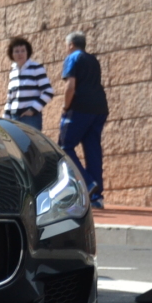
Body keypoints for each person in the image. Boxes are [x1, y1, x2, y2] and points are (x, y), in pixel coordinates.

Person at [59, 31, 109, 209]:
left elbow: (70, 86)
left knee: (64, 147)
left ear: (71, 45)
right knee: (92, 148)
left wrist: (65, 107)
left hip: (80, 108)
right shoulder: (93, 60)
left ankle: (87, 184)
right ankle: (96, 197)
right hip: (99, 108)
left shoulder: (73, 58)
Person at [1, 36, 54, 131]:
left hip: (30, 118)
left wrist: (32, 110)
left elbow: (48, 92)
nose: (20, 54)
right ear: (11, 54)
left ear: (27, 52)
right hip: (14, 118)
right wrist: (5, 119)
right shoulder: (13, 72)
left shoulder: (36, 68)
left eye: (23, 50)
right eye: (16, 51)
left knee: (31, 145)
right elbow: (10, 99)